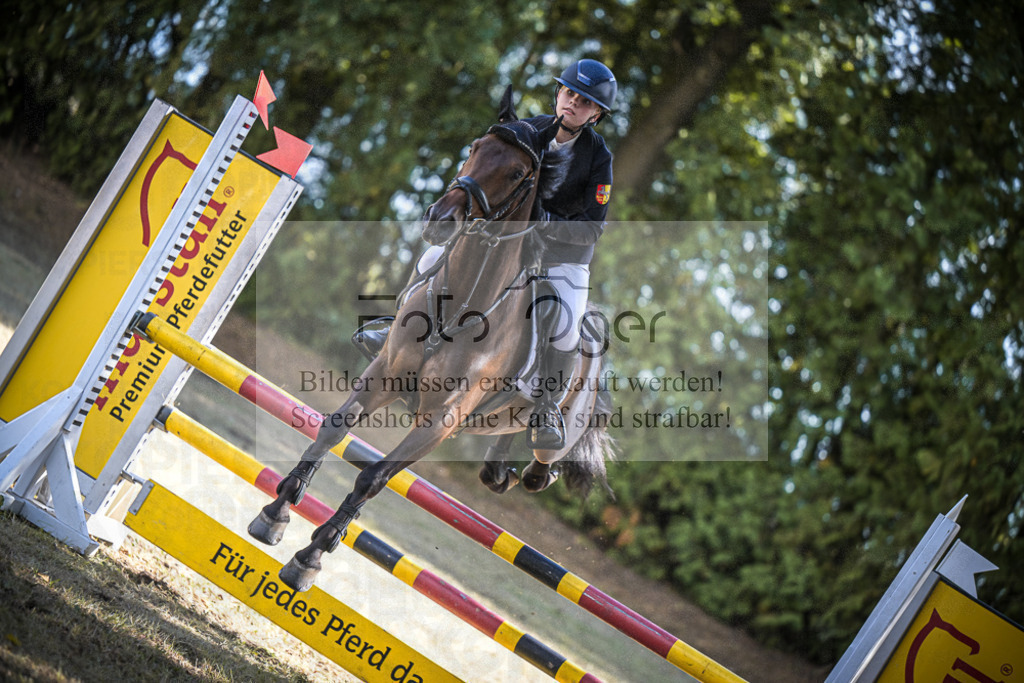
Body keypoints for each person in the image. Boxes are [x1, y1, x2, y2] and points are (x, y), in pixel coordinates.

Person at [354, 58, 617, 451]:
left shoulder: (599, 158)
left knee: (564, 322)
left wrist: (542, 223)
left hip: (563, 255)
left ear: (596, 113)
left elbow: (593, 226)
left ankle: (546, 406)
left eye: (584, 102)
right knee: (431, 260)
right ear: (559, 94)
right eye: (569, 94)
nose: (572, 104)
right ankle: (395, 326)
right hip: (510, 242)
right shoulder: (530, 131)